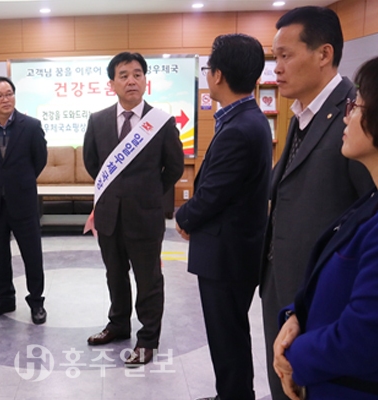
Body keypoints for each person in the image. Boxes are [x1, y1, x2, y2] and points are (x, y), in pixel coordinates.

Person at [260, 7, 374, 399]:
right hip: (284, 291)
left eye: (285, 56)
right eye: (275, 57)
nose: (276, 68)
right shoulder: (301, 115)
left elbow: (367, 211)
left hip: (330, 308)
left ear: (324, 54)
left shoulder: (357, 120)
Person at [175, 34, 271, 400]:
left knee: (226, 336)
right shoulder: (247, 119)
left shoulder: (240, 128)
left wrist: (183, 218)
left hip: (226, 254)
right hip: (235, 249)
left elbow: (212, 194)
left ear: (217, 75)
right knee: (230, 334)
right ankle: (232, 393)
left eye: (208, 70)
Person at [83, 52, 183, 366]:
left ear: (145, 81)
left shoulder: (161, 122)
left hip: (145, 215)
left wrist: (146, 192)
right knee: (115, 276)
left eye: (137, 74)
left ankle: (148, 339)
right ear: (112, 83)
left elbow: (174, 168)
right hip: (109, 216)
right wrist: (115, 193)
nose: (131, 81)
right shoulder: (97, 120)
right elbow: (92, 163)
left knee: (148, 280)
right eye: (124, 75)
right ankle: (118, 325)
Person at [0, 76, 48, 325]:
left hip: (23, 199)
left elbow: (40, 160)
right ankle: (5, 299)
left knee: (32, 254)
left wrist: (21, 181)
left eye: (9, 94)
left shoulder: (31, 126)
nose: (5, 99)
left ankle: (36, 302)